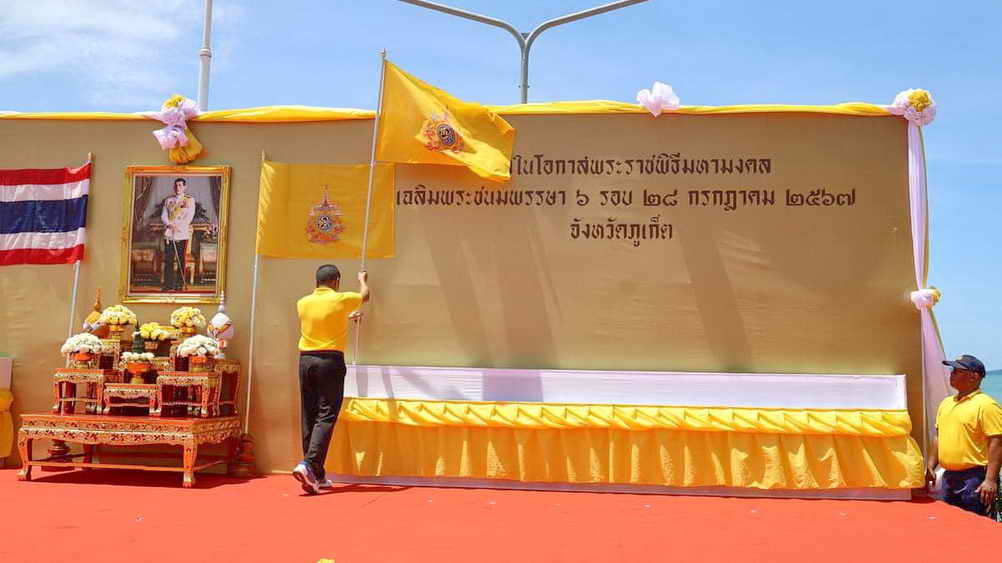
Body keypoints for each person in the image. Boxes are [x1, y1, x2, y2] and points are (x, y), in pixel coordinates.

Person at [292, 264, 370, 494]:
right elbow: (365, 296)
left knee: (310, 414)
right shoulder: (341, 299)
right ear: (336, 281)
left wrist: (347, 317)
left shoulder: (303, 302)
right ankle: (308, 464)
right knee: (326, 414)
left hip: (306, 360)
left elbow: (324, 320)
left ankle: (317, 473)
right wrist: (362, 279)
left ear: (316, 282)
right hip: (330, 360)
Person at [926, 354, 1002, 517]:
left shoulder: (986, 405)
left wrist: (990, 480)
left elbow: (997, 442)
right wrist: (931, 466)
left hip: (975, 478)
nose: (951, 373)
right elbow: (938, 437)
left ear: (974, 376)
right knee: (952, 525)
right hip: (948, 477)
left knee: (978, 528)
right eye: (952, 370)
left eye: (957, 370)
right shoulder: (946, 403)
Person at [160, 178, 195, 291]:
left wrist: (177, 226)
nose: (177, 188)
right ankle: (168, 284)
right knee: (169, 259)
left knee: (181, 259)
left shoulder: (189, 200)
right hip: (169, 234)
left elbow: (189, 217)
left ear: (184, 187)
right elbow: (164, 215)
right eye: (176, 185)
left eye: (180, 185)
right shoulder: (169, 200)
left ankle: (179, 284)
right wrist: (169, 224)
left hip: (181, 234)